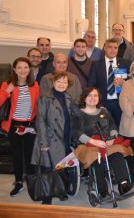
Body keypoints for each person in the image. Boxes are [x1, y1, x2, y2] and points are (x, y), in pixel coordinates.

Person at [72, 87, 134, 198]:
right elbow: (76, 132)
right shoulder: (79, 114)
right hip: (89, 144)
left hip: (106, 142)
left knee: (117, 155)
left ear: (99, 98)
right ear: (84, 98)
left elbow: (112, 125)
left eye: (95, 95)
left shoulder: (104, 111)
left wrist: (112, 137)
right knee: (97, 159)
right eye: (89, 95)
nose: (92, 98)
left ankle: (123, 184)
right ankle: (102, 189)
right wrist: (93, 141)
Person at [31, 72, 75, 204]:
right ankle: (47, 195)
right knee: (48, 168)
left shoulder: (68, 97)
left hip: (65, 136)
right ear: (53, 83)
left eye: (64, 82)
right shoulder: (45, 98)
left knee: (61, 166)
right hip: (50, 138)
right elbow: (40, 121)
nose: (61, 84)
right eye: (59, 81)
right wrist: (43, 142)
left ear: (68, 84)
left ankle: (60, 190)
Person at [0, 57, 39, 197]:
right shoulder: (7, 84)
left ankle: (30, 179)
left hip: (29, 125)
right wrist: (6, 91)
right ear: (15, 70)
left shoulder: (34, 85)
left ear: (30, 70)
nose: (23, 70)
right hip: (13, 125)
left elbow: (37, 106)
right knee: (17, 155)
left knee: (29, 154)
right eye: (19, 68)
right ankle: (18, 182)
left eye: (26, 67)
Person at [88, 38, 130, 127]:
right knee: (104, 129)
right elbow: (91, 85)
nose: (113, 50)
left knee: (121, 129)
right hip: (103, 103)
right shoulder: (96, 64)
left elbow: (132, 81)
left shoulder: (124, 63)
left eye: (115, 47)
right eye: (110, 47)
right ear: (105, 48)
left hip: (120, 103)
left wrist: (123, 82)